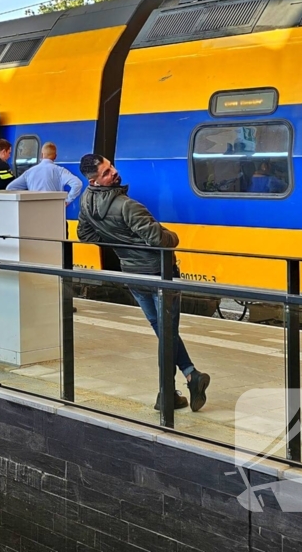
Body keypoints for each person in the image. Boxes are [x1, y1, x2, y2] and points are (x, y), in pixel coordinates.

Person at [77, 154, 211, 412]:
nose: (114, 172)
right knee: (167, 332)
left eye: (111, 167)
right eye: (106, 172)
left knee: (162, 330)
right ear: (95, 179)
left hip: (133, 274)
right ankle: (167, 394)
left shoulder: (86, 202)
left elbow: (84, 234)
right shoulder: (128, 206)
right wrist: (173, 235)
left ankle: (190, 376)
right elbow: (161, 241)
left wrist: (121, 245)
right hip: (158, 273)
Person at [7, 142, 84, 205]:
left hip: (34, 211)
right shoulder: (60, 171)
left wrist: (27, 197)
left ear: (41, 155)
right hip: (54, 211)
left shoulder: (29, 172)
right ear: (55, 156)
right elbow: (77, 183)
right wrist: (67, 200)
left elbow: (10, 188)